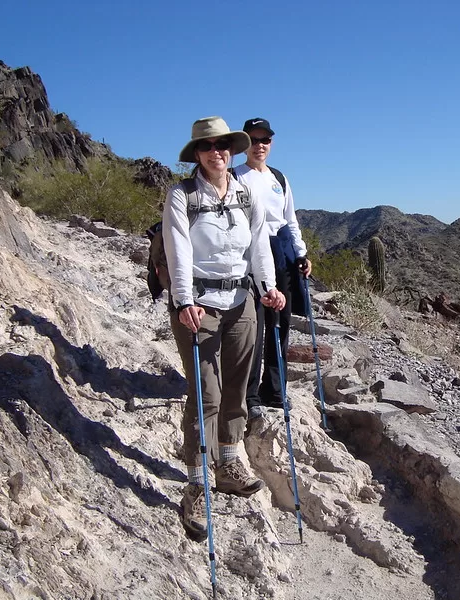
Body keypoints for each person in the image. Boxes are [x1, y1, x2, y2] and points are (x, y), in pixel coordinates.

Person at [163, 116, 286, 541]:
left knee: (236, 386)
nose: (219, 153)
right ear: (196, 154)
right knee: (206, 393)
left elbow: (259, 245)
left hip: (241, 302)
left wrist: (268, 287)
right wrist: (183, 300)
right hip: (199, 305)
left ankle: (229, 462)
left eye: (224, 146)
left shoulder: (246, 192)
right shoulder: (182, 196)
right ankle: (197, 483)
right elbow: (177, 248)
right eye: (209, 147)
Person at [233, 118, 312, 420]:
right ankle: (250, 394)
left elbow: (290, 220)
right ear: (244, 143)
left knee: (280, 325)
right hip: (250, 253)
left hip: (281, 254)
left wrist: (301, 254)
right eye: (253, 140)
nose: (260, 146)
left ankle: (275, 390)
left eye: (265, 139)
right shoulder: (234, 176)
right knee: (254, 327)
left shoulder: (279, 178)